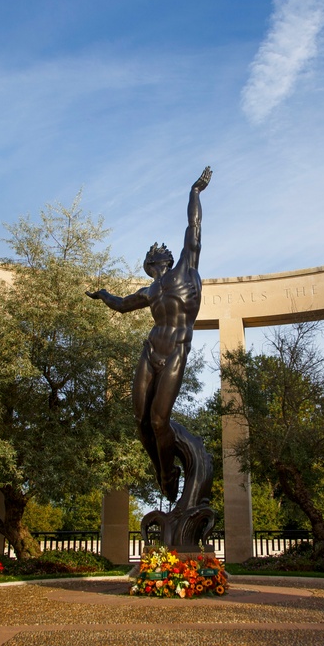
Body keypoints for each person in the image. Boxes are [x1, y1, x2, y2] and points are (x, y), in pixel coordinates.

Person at [86, 166, 211, 501]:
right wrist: (102, 295)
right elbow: (122, 304)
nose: (153, 265)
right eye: (150, 263)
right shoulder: (150, 291)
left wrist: (195, 193)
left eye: (155, 261)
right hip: (150, 350)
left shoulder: (188, 269)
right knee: (140, 419)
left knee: (159, 421)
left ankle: (168, 472)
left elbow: (193, 228)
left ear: (166, 261)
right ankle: (160, 470)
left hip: (175, 350)